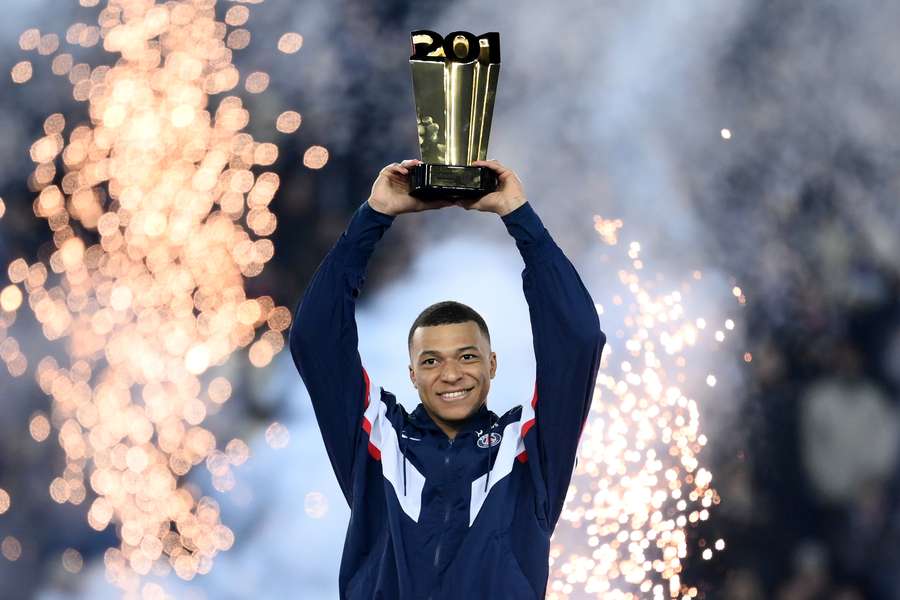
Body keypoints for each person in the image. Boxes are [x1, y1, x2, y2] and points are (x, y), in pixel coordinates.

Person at [289, 158, 605, 599]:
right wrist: (374, 217)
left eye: (468, 356)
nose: (451, 373)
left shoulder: (528, 448)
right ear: (412, 374)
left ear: (492, 364)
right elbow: (315, 338)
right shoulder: (377, 438)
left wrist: (520, 219)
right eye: (432, 361)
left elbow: (578, 341)